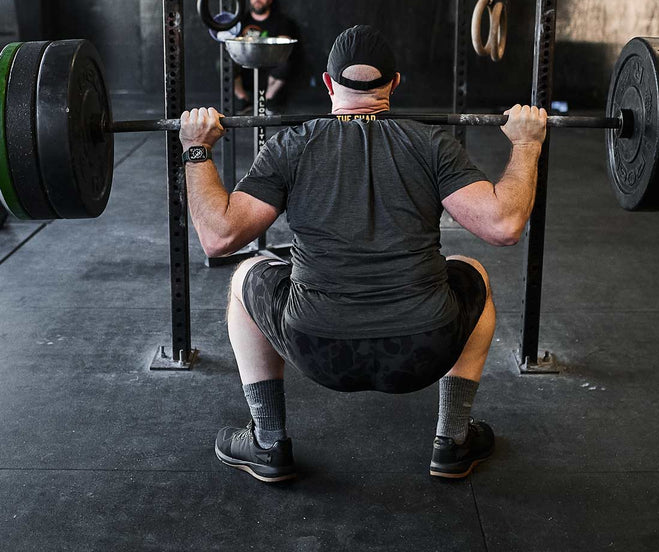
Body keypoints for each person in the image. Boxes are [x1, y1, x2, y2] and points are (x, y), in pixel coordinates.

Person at [179, 25, 547, 483]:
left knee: (247, 274)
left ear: (329, 84)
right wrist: (527, 144)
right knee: (471, 272)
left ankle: (268, 441)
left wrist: (196, 148)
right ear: (395, 84)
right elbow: (504, 225)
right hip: (424, 347)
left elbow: (218, 238)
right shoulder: (432, 143)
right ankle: (452, 440)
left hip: (317, 348)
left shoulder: (292, 145)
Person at [230, 0, 297, 114]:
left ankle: (267, 100)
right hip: (246, 68)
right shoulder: (241, 21)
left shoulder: (281, 21)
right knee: (224, 63)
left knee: (287, 62)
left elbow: (283, 45)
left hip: (270, 69)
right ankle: (243, 99)